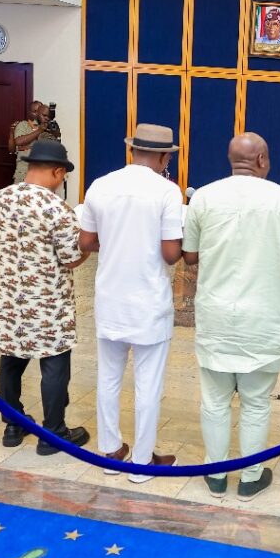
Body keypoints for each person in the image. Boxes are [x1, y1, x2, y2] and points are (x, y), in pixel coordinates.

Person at [183, 132, 280, 501]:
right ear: (262, 161)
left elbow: (189, 256)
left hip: (216, 312)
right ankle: (251, 477)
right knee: (256, 400)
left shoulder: (204, 196)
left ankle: (216, 473)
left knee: (214, 399)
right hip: (264, 313)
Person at [79, 124, 183, 483]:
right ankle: (141, 463)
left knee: (108, 378)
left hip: (111, 297)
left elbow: (86, 241)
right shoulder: (168, 192)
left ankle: (110, 453)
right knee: (147, 383)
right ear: (163, 156)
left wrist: (115, 242)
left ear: (132, 150)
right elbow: (171, 255)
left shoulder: (101, 185)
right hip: (148, 301)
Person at [0, 141, 90, 454]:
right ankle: (53, 434)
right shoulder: (56, 208)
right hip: (49, 302)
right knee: (54, 366)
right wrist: (87, 242)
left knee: (11, 362)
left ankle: (13, 425)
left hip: (12, 298)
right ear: (58, 172)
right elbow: (71, 257)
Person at [12, 101, 60, 184]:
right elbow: (18, 141)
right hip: (24, 172)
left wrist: (54, 133)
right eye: (44, 115)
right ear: (38, 114)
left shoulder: (51, 128)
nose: (46, 118)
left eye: (48, 116)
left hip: (42, 173)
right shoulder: (24, 125)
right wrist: (39, 130)